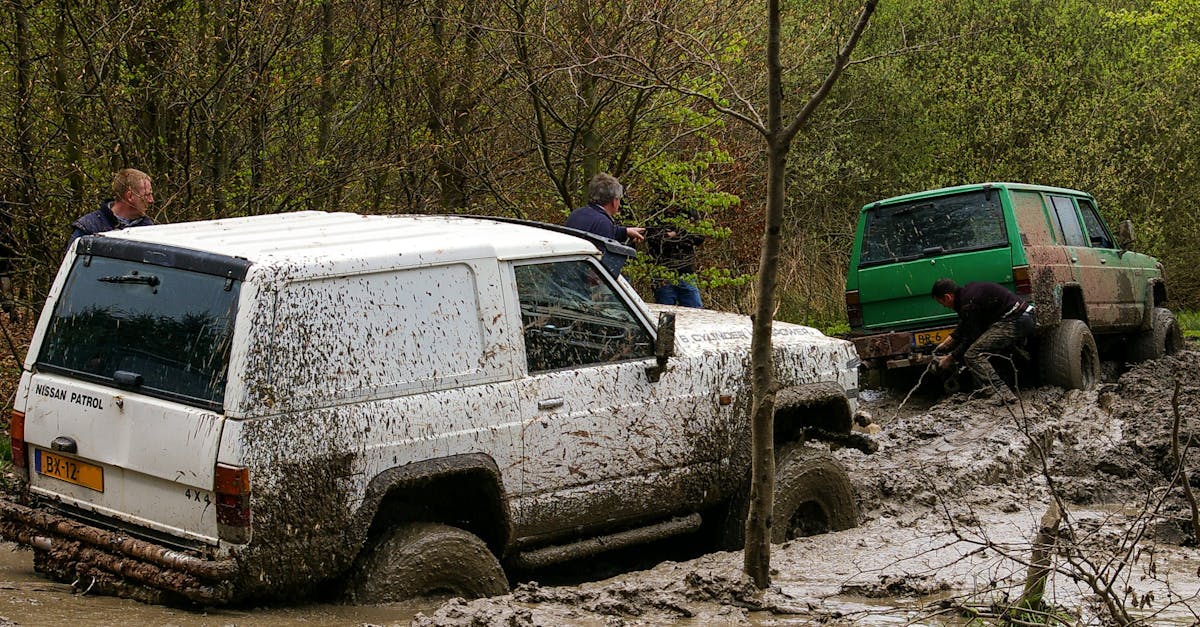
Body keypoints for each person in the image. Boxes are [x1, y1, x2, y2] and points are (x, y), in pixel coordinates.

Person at [930, 278, 1036, 404]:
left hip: (1016, 320)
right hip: (1023, 315)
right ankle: (985, 388)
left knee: (972, 354)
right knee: (981, 347)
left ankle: (1002, 393)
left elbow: (971, 338)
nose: (944, 306)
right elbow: (967, 321)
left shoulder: (968, 303)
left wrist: (951, 358)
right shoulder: (968, 293)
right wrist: (951, 339)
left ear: (948, 297)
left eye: (942, 303)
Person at [68, 168, 156, 247]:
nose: (151, 200)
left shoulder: (147, 228)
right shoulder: (89, 228)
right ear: (130, 196)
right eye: (147, 195)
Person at [645, 207, 705, 307]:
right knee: (665, 313)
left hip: (686, 273)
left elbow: (699, 237)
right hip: (662, 272)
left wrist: (676, 234)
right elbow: (654, 239)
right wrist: (683, 233)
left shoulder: (689, 209)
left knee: (695, 309)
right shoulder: (657, 211)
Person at [565, 173, 645, 245]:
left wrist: (625, 232)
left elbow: (594, 227)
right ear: (614, 201)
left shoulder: (576, 214)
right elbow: (607, 258)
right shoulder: (603, 223)